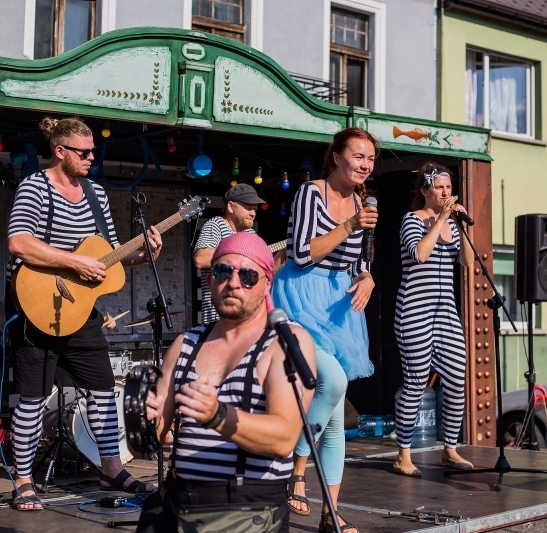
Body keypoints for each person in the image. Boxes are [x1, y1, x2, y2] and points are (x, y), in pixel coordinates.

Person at [6, 116, 162, 511]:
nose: (92, 157)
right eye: (84, 151)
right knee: (33, 398)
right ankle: (23, 480)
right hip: (37, 309)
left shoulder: (95, 193)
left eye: (93, 150)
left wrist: (143, 255)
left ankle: (111, 467)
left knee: (103, 390)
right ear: (60, 151)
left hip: (81, 313)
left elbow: (104, 259)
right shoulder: (36, 186)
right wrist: (73, 263)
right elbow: (19, 242)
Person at [134, 232, 317, 533]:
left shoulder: (285, 342)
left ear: (266, 283)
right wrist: (142, 420)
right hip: (178, 503)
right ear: (210, 280)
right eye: (222, 271)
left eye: (247, 275)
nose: (233, 283)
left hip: (247, 510)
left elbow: (283, 439)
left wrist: (217, 415)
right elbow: (149, 442)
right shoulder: (185, 343)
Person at [271, 127, 378, 533]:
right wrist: (350, 224)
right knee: (330, 381)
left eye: (370, 158)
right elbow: (299, 253)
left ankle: (330, 514)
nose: (365, 164)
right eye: (358, 155)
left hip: (340, 302)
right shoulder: (311, 194)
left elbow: (362, 257)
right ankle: (294, 468)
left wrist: (368, 277)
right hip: (302, 292)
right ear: (336, 157)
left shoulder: (362, 201)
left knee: (334, 415)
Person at [392, 162, 474, 477]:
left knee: (456, 375)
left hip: (445, 312)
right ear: (425, 191)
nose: (446, 192)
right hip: (414, 308)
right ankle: (404, 454)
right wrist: (440, 219)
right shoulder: (411, 220)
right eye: (439, 187)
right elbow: (419, 255)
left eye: (448, 187)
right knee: (415, 382)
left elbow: (466, 261)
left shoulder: (452, 225)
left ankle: (450, 449)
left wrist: (462, 227)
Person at [193, 183, 265, 324]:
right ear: (231, 207)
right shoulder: (215, 224)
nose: (253, 213)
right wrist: (239, 251)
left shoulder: (251, 233)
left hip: (245, 318)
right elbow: (200, 259)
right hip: (217, 318)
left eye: (255, 209)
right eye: (249, 208)